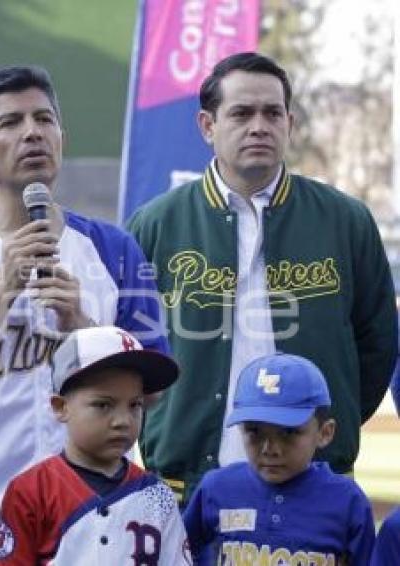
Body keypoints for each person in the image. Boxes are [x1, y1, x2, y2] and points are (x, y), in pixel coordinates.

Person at [0, 65, 168, 538]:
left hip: (95, 519)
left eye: (44, 120)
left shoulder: (113, 249)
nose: (32, 133)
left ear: (62, 137)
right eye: (11, 123)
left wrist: (83, 330)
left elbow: (153, 389)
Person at [127, 51, 398, 504]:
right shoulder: (156, 224)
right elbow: (132, 349)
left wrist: (331, 423)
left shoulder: (345, 221)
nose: (259, 126)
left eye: (272, 113)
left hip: (316, 484)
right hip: (185, 487)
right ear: (207, 126)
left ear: (289, 123)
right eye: (241, 113)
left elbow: (377, 347)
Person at [0, 326, 191, 565]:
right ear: (60, 407)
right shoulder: (30, 490)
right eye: (103, 405)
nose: (123, 421)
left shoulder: (158, 496)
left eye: (134, 405)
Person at [182, 353, 375, 563]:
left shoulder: (346, 501)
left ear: (325, 433)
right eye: (254, 431)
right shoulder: (216, 487)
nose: (270, 449)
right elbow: (180, 555)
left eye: (289, 432)